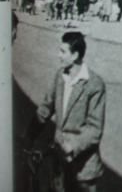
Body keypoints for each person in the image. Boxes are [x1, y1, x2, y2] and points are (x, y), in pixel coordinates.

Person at [24, 32, 106, 192]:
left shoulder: (95, 85)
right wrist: (28, 137)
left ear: (75, 55)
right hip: (58, 165)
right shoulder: (60, 77)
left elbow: (95, 130)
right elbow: (46, 108)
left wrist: (72, 146)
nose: (58, 55)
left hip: (84, 170)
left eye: (63, 51)